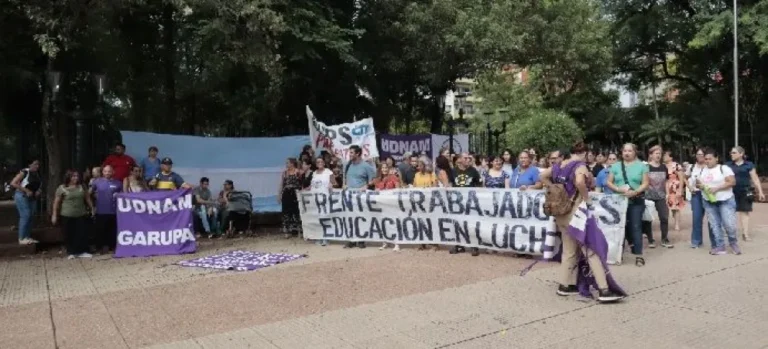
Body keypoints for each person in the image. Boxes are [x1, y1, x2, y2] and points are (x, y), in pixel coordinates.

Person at [539, 142, 625, 303]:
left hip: (560, 214)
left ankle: (564, 285)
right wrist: (586, 198)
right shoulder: (580, 166)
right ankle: (603, 290)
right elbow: (579, 182)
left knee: (569, 250)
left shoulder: (558, 165)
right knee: (590, 249)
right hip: (575, 213)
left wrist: (556, 189)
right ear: (584, 153)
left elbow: (542, 176)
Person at [606, 143, 649, 267]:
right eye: (624, 150)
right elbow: (609, 182)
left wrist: (635, 192)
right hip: (619, 201)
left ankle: (638, 255)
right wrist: (619, 189)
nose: (627, 153)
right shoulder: (615, 166)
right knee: (619, 227)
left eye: (630, 150)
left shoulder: (642, 166)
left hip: (636, 200)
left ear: (635, 152)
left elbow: (645, 183)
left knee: (636, 226)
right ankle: (618, 253)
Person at [697, 148, 740, 255]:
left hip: (725, 200)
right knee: (714, 225)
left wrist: (717, 188)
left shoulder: (724, 168)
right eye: (706, 159)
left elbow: (732, 182)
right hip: (708, 200)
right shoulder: (703, 170)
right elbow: (699, 183)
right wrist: (700, 186)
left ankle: (733, 242)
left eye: (710, 159)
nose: (707, 161)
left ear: (716, 158)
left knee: (729, 224)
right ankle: (720, 246)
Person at [52, 169, 94, 259]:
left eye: (77, 176)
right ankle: (71, 252)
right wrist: (54, 215)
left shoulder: (82, 186)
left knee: (81, 233)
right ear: (69, 177)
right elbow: (56, 203)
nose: (76, 178)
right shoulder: (62, 188)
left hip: (80, 214)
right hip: (67, 215)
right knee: (69, 233)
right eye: (73, 176)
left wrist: (92, 208)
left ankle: (82, 251)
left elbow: (87, 198)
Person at [726, 146, 765, 241]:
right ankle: (731, 233)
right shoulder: (728, 165)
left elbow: (755, 178)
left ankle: (745, 234)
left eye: (734, 153)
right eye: (731, 152)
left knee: (744, 212)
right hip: (731, 192)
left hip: (745, 191)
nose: (732, 154)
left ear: (741, 154)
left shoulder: (749, 165)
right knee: (729, 213)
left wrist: (760, 192)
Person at [343, 145, 376, 248]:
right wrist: (344, 184)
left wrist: (366, 186)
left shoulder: (366, 166)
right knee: (350, 218)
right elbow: (345, 177)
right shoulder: (348, 165)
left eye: (352, 152)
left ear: (357, 154)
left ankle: (361, 239)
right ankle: (352, 239)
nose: (350, 154)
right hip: (349, 196)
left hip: (361, 197)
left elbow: (374, 180)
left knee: (361, 218)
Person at [450, 152, 482, 256]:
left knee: (471, 224)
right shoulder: (453, 171)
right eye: (465, 158)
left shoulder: (473, 171)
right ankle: (459, 245)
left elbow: (480, 184)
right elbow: (450, 184)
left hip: (470, 202)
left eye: (469, 158)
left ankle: (474, 246)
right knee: (458, 224)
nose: (468, 159)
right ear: (459, 160)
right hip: (457, 202)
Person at [644, 145, 672, 248]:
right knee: (648, 219)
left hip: (661, 196)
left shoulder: (663, 167)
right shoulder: (646, 167)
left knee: (664, 217)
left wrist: (668, 193)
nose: (658, 155)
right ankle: (651, 239)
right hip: (648, 196)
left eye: (660, 153)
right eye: (656, 153)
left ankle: (664, 238)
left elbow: (666, 181)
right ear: (650, 155)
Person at [90, 165, 122, 254]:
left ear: (113, 172)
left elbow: (123, 195)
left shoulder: (118, 183)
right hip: (101, 210)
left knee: (112, 230)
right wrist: (92, 205)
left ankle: (112, 247)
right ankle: (101, 247)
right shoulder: (96, 182)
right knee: (100, 230)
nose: (107, 173)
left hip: (114, 211)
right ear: (102, 172)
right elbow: (89, 194)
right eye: (105, 171)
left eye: (109, 171)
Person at [686, 148, 714, 249]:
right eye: (698, 154)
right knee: (696, 218)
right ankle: (696, 241)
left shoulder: (710, 167)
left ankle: (714, 241)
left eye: (702, 155)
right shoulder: (692, 167)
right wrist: (689, 187)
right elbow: (684, 177)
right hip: (696, 195)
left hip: (708, 194)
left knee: (712, 218)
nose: (699, 156)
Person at [11, 159, 42, 245]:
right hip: (22, 195)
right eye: (35, 164)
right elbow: (13, 183)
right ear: (29, 164)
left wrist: (38, 191)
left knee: (31, 216)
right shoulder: (24, 172)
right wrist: (26, 190)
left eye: (38, 164)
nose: (37, 166)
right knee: (25, 215)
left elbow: (39, 186)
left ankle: (27, 237)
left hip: (32, 197)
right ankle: (21, 238)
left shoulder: (37, 174)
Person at [309, 157, 336, 246]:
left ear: (324, 163)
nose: (319, 163)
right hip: (315, 199)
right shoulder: (314, 173)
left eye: (321, 161)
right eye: (318, 162)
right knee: (317, 218)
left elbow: (335, 183)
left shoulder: (328, 172)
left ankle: (326, 237)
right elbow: (311, 186)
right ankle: (319, 236)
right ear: (316, 164)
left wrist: (331, 185)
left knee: (325, 217)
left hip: (325, 198)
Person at [374, 162, 401, 251]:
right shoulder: (378, 180)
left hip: (392, 204)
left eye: (386, 168)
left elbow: (398, 189)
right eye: (382, 168)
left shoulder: (393, 178)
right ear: (380, 169)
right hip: (382, 205)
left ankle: (396, 243)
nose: (384, 169)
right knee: (383, 223)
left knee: (394, 223)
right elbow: (376, 191)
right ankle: (385, 242)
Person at [278, 158, 303, 239]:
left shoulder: (298, 172)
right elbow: (281, 184)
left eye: (288, 163)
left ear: (292, 163)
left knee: (296, 212)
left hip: (295, 193)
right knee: (286, 212)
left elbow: (302, 183)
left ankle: (299, 231)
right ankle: (286, 231)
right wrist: (279, 195)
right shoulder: (284, 173)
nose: (286, 164)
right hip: (286, 193)